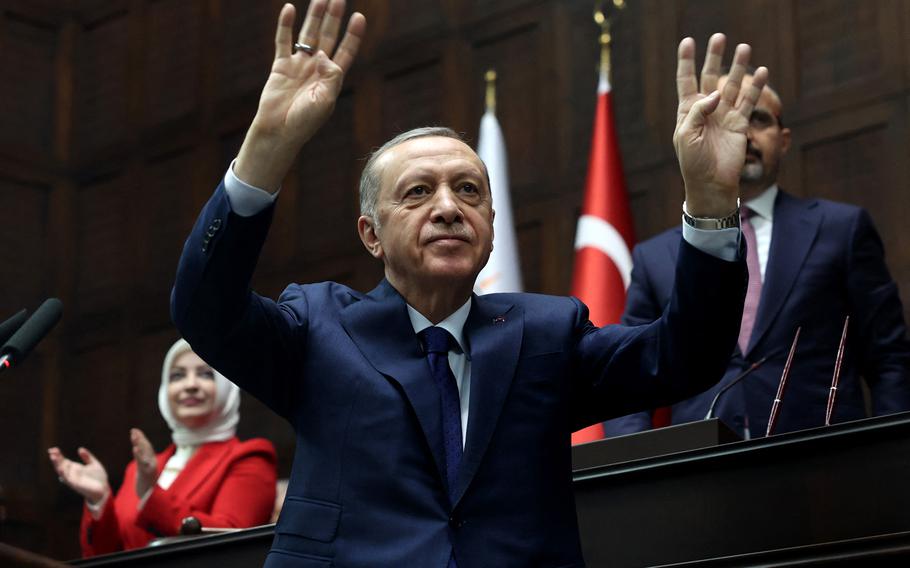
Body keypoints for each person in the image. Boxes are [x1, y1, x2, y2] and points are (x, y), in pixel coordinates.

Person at [171, 1, 765, 565]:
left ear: (489, 226)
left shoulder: (546, 334)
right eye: (418, 192)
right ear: (370, 235)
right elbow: (204, 309)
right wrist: (264, 153)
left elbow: (687, 355)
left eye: (469, 190)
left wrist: (711, 202)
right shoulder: (317, 328)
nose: (450, 208)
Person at [603, 70, 910, 440]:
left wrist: (891, 454)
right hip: (698, 473)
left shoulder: (841, 229)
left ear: (784, 140)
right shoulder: (655, 257)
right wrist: (639, 474)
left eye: (757, 119)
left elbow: (889, 358)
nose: (741, 132)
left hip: (823, 468)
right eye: (723, 119)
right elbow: (631, 380)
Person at [47, 339, 277, 557]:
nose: (190, 385)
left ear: (227, 385)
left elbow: (231, 544)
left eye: (206, 374)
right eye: (177, 376)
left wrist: (150, 494)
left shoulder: (249, 457)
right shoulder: (141, 467)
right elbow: (106, 555)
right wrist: (99, 499)